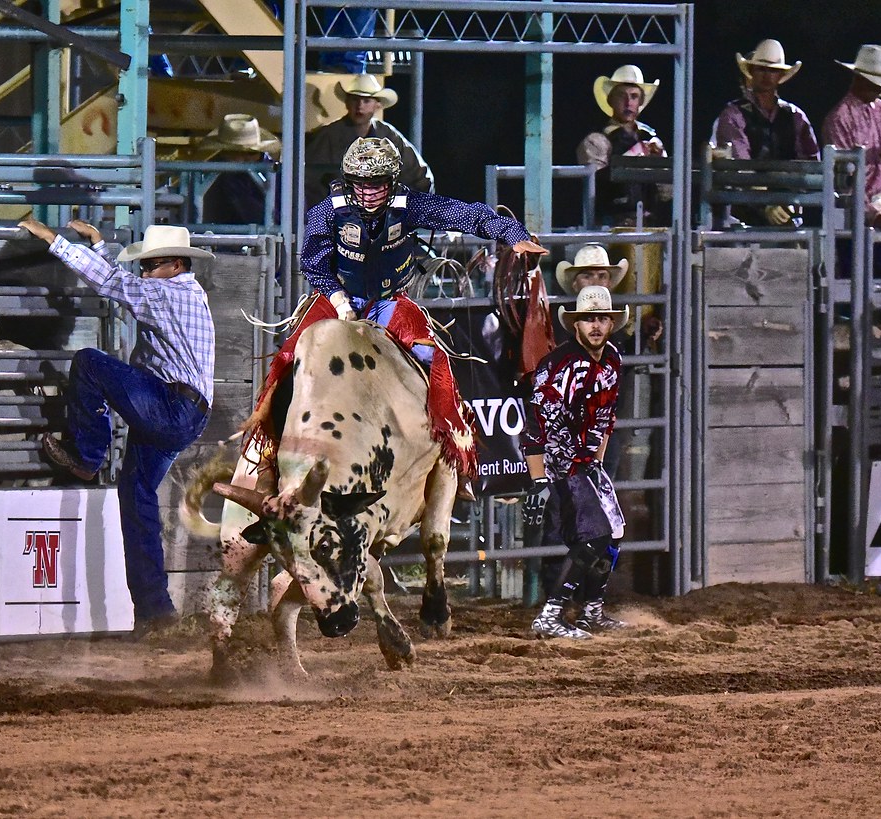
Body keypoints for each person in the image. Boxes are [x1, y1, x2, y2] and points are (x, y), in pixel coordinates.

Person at [248, 137, 546, 501]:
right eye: (362, 184)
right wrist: (339, 300)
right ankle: (263, 456)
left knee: (435, 361)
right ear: (349, 181)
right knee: (287, 358)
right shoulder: (327, 212)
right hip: (336, 295)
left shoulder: (410, 206)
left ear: (391, 182)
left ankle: (456, 459)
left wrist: (511, 234)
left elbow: (465, 214)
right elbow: (313, 263)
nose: (370, 193)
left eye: (377, 184)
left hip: (390, 300)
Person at [17, 218, 215, 638]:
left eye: (152, 264)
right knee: (136, 495)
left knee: (89, 362)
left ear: (175, 264)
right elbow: (127, 283)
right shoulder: (182, 291)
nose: (145, 272)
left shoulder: (166, 294)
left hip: (170, 406)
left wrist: (56, 242)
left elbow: (114, 284)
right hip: (184, 414)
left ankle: (88, 455)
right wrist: (102, 245)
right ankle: (155, 610)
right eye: (144, 266)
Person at [522, 285, 629, 639]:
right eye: (588, 319)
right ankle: (551, 615)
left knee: (612, 534)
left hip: (586, 462)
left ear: (611, 324)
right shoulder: (557, 365)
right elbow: (536, 426)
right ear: (577, 325)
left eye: (602, 318)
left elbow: (606, 418)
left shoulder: (612, 359)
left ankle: (591, 610)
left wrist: (596, 463)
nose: (596, 325)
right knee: (592, 536)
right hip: (559, 463)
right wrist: (540, 482)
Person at [712, 39, 820, 228]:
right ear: (751, 72)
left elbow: (811, 164)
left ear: (780, 75)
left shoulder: (795, 116)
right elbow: (740, 168)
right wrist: (766, 202)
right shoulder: (734, 114)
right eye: (761, 69)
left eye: (772, 70)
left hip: (788, 212)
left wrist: (789, 199)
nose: (766, 75)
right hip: (742, 218)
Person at [305, 74, 434, 205]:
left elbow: (420, 176)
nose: (360, 106)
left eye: (366, 101)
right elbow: (308, 181)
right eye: (355, 100)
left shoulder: (389, 136)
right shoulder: (329, 135)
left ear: (377, 105)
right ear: (347, 103)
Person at [823, 44, 881, 232]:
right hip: (852, 214)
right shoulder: (839, 118)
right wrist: (873, 214)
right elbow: (843, 178)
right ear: (858, 77)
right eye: (875, 82)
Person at [576, 64, 668, 227]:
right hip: (610, 224)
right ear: (611, 100)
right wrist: (636, 154)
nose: (628, 102)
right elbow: (596, 186)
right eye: (621, 96)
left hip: (649, 224)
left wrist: (660, 164)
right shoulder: (596, 140)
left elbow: (666, 193)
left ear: (640, 102)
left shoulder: (651, 140)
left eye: (633, 96)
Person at [199, 113, 281, 226]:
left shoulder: (278, 175)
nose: (241, 159)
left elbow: (284, 222)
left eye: (250, 153)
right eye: (233, 152)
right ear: (223, 152)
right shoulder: (206, 173)